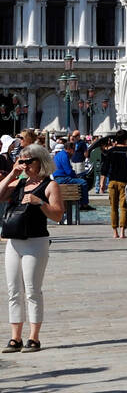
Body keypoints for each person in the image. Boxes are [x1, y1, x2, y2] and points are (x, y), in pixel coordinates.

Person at [1, 145, 64, 351]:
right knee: (13, 291)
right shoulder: (19, 183)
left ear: (41, 162)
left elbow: (57, 215)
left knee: (32, 290)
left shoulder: (50, 185)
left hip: (35, 241)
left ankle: (34, 337)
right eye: (22, 161)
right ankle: (15, 337)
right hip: (13, 241)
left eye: (29, 161)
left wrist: (40, 203)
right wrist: (13, 172)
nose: (25, 165)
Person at [51, 135, 93, 210]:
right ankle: (84, 204)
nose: (74, 152)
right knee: (83, 182)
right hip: (62, 178)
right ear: (70, 149)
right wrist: (75, 176)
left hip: (58, 177)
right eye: (74, 150)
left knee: (80, 178)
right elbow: (68, 171)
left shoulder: (58, 155)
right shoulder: (65, 155)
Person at [103, 130, 127, 239]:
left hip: (112, 181)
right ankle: (122, 232)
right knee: (123, 207)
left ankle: (115, 232)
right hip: (124, 181)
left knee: (113, 207)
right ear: (126, 139)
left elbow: (104, 168)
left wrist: (102, 183)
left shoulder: (111, 151)